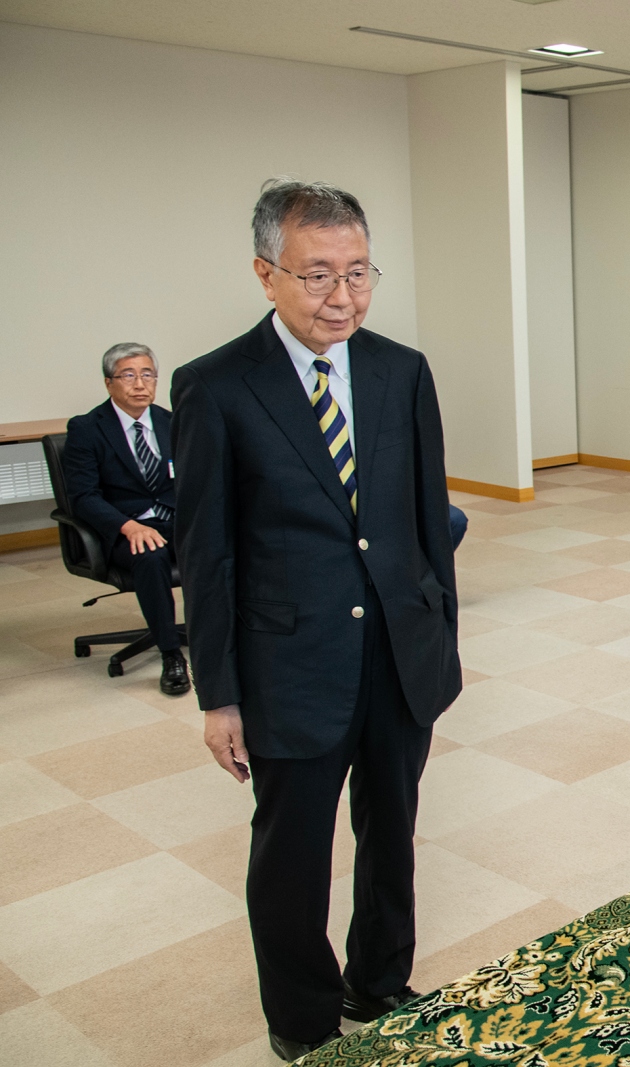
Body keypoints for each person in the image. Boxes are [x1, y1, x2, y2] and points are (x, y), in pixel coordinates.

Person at [174, 179, 461, 1061]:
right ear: (267, 275)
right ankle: (301, 1020)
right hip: (290, 665)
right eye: (318, 275)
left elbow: (425, 517)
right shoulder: (216, 387)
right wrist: (218, 696)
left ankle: (378, 982)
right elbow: (207, 552)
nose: (343, 296)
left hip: (397, 654)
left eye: (360, 272)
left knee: (392, 836)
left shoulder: (400, 370)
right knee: (292, 857)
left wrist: (439, 633)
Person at [61, 343, 189, 695]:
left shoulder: (171, 422)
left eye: (148, 374)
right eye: (128, 375)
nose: (140, 384)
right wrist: (129, 526)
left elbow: (194, 480)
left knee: (222, 541)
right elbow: (83, 497)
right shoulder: (87, 429)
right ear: (109, 383)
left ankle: (227, 639)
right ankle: (171, 655)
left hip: (174, 520)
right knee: (151, 556)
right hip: (124, 527)